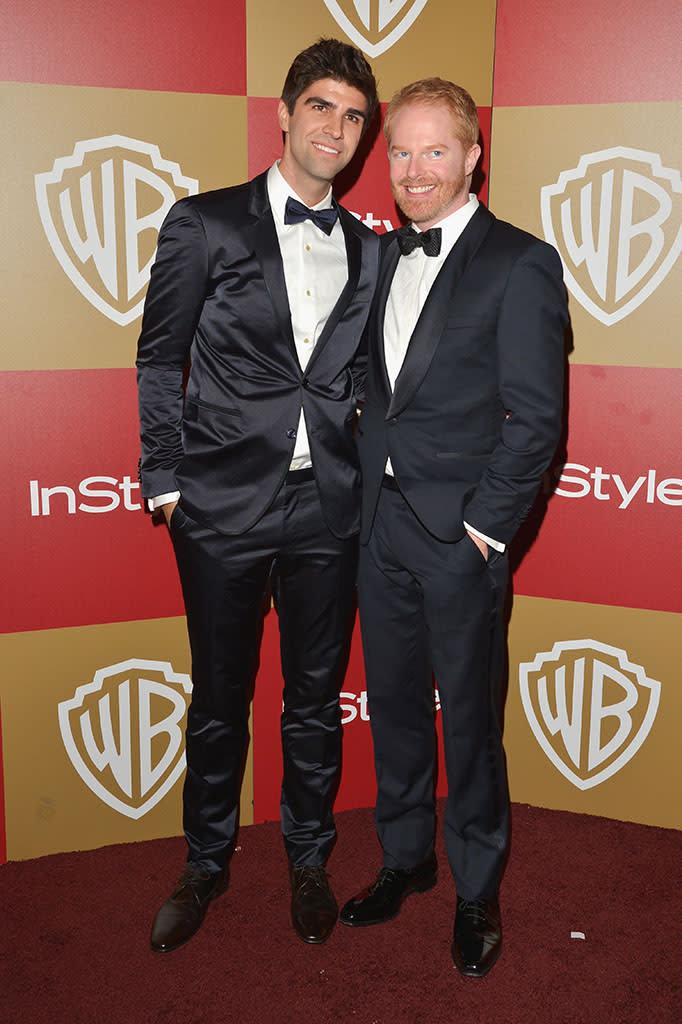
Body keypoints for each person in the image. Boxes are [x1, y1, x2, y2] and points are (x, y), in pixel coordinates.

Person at [136, 38, 379, 952]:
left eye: (354, 117)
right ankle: (206, 862)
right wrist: (164, 481)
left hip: (329, 507)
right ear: (282, 114)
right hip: (220, 505)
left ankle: (309, 860)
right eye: (321, 107)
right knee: (219, 695)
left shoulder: (365, 246)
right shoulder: (205, 223)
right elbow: (160, 358)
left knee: (315, 698)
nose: (337, 129)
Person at [339, 79, 568, 977]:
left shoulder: (521, 262)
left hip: (458, 537)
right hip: (378, 525)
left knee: (468, 721)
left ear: (475, 157)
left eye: (437, 150)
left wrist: (483, 530)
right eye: (400, 150)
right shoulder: (384, 257)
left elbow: (537, 421)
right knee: (395, 708)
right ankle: (407, 859)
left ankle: (478, 886)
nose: (414, 169)